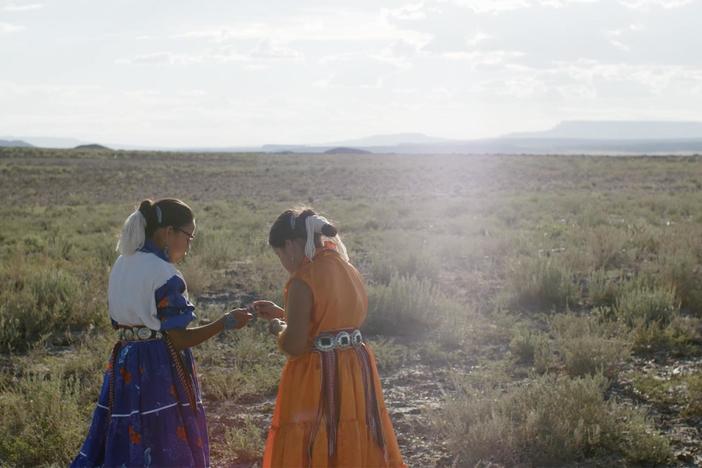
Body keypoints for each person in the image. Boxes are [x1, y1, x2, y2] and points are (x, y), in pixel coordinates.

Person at [72, 198, 252, 467]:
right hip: (157, 367)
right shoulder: (165, 274)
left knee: (128, 432)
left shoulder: (122, 264)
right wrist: (223, 323)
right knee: (163, 440)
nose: (189, 245)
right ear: (169, 232)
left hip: (124, 364)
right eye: (189, 236)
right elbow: (180, 339)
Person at [255, 208, 406, 468]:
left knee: (317, 439)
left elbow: (295, 344)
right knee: (353, 430)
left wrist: (277, 326)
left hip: (320, 375)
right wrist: (284, 313)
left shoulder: (303, 280)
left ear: (290, 245)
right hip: (355, 371)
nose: (283, 261)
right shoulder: (348, 270)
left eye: (280, 254)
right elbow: (330, 322)